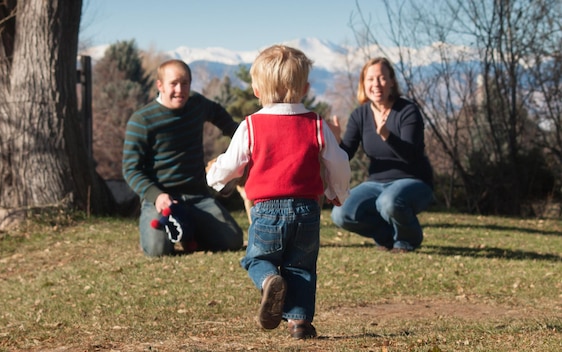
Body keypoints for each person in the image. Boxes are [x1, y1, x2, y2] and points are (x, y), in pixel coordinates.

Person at [206, 45, 351, 339]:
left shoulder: (251, 125)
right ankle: (300, 323)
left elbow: (232, 163)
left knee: (257, 259)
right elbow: (338, 161)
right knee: (301, 266)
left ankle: (269, 279)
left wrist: (215, 177)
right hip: (307, 210)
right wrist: (338, 192)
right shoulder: (316, 124)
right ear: (306, 88)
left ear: (257, 91)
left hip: (266, 210)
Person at [122, 59, 243, 257]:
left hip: (197, 196)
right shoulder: (142, 120)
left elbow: (221, 117)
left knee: (232, 240)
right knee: (157, 251)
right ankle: (171, 232)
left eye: (185, 83)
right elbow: (130, 169)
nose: (180, 89)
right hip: (161, 199)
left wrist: (244, 139)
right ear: (159, 85)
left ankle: (189, 231)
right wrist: (156, 196)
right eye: (174, 83)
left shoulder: (196, 104)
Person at [330, 57, 434, 253]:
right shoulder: (359, 115)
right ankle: (386, 236)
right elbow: (346, 154)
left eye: (381, 78)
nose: (376, 84)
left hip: (414, 181)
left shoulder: (407, 111)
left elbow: (412, 155)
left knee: (388, 202)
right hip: (376, 183)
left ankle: (408, 239)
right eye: (370, 79)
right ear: (364, 83)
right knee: (340, 213)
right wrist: (335, 144)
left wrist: (387, 136)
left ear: (392, 82)